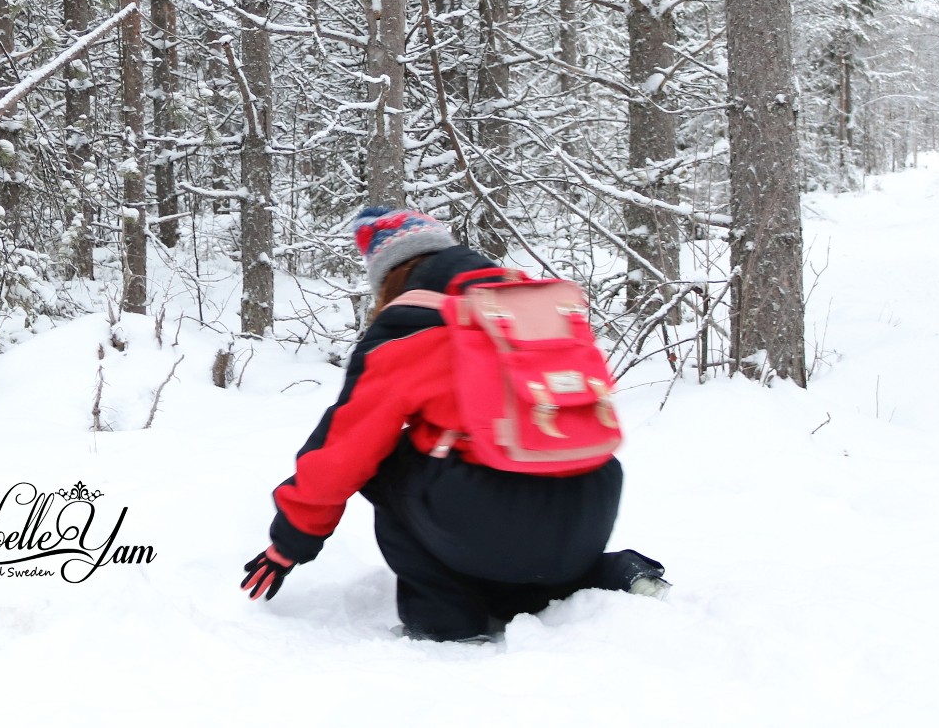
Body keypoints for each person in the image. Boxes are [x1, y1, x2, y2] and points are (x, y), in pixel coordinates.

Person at [241, 208, 668, 643]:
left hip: (490, 522)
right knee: (503, 489)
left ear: (387, 276)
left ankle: (444, 617)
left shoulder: (409, 328)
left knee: (391, 463)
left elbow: (344, 450)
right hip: (590, 509)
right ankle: (609, 574)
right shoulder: (532, 306)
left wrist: (291, 542)